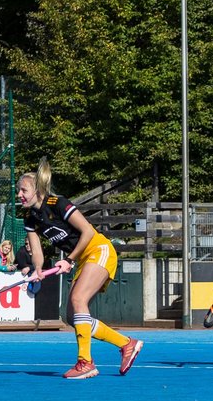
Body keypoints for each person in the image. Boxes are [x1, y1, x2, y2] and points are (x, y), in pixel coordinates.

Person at [17, 161, 143, 379]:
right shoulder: (29, 218)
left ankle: (85, 362)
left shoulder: (58, 203)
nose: (19, 194)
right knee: (72, 317)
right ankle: (126, 343)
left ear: (37, 191)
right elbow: (37, 251)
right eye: (18, 190)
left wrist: (69, 259)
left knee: (78, 300)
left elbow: (87, 231)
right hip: (83, 259)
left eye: (23, 190)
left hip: (99, 249)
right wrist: (37, 269)